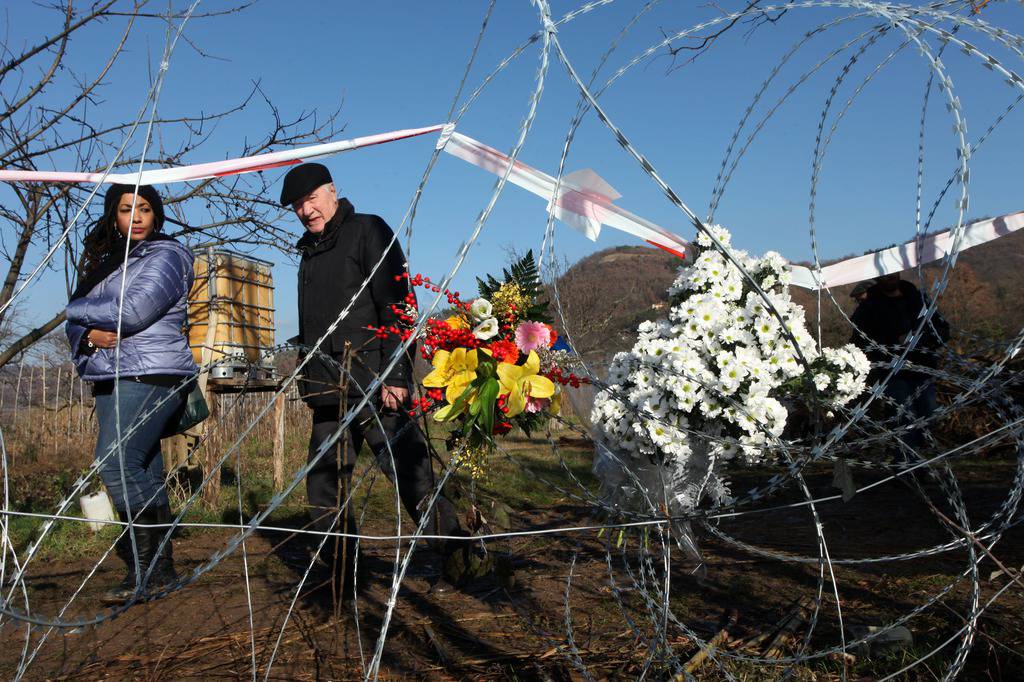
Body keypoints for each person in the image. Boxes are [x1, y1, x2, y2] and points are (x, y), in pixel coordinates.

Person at [279, 163, 470, 598]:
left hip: (375, 381)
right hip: (329, 387)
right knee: (323, 483)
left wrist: (397, 374)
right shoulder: (309, 251)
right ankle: (343, 574)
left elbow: (398, 304)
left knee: (409, 474)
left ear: (332, 191)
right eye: (297, 205)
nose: (306, 210)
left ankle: (460, 551)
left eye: (311, 199)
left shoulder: (368, 231)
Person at [66, 184, 198, 604]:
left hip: (152, 372)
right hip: (109, 374)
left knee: (116, 463)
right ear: (114, 216)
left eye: (144, 208)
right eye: (126, 210)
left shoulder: (168, 255)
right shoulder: (107, 262)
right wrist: (86, 333)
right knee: (142, 467)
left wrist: (72, 310)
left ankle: (152, 565)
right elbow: (82, 330)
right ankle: (154, 571)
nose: (137, 216)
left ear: (156, 215)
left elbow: (135, 311)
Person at [850, 273, 949, 453]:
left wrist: (922, 339)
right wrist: (893, 342)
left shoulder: (917, 300)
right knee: (904, 417)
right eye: (886, 274)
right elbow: (859, 340)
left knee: (928, 414)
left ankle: (914, 459)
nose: (890, 277)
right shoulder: (869, 307)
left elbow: (942, 329)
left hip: (922, 368)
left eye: (893, 273)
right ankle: (907, 464)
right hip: (891, 372)